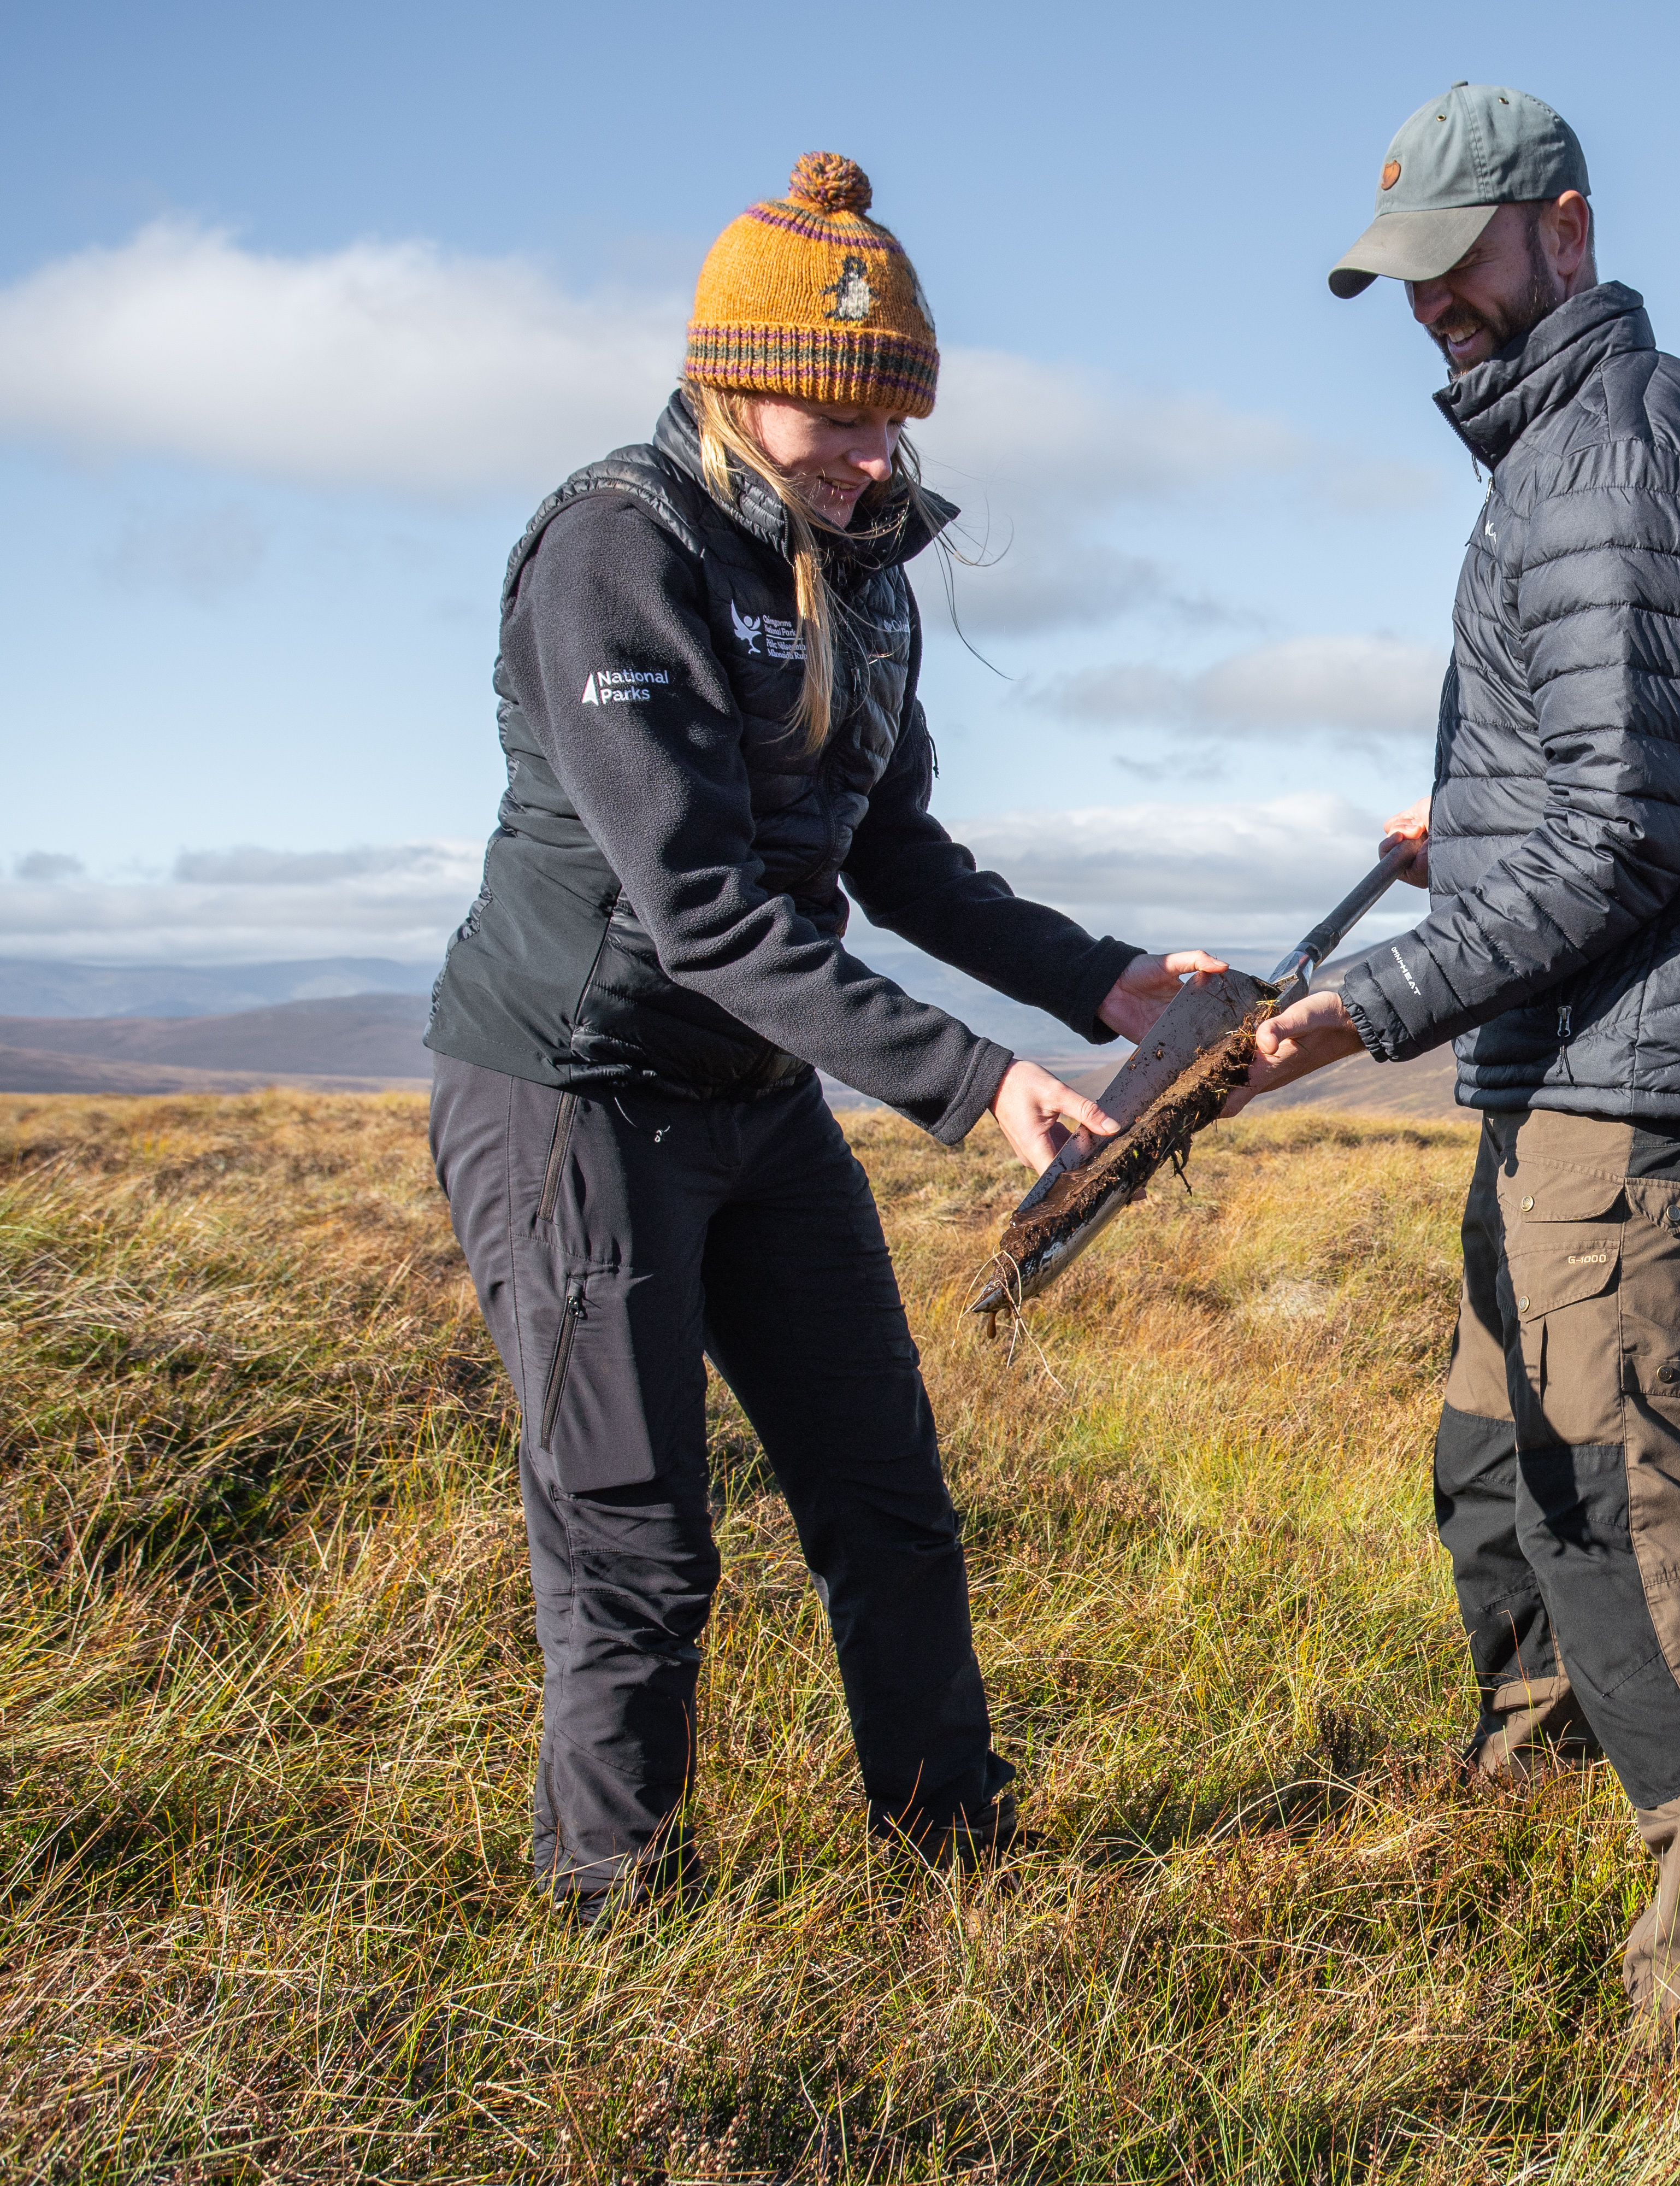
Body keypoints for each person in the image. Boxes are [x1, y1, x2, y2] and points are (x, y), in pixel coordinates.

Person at [426, 152, 1217, 1920]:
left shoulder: (863, 573)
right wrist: (970, 1080)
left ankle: (956, 1859)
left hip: (757, 1091)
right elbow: (700, 909)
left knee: (885, 1489)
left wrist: (1105, 986)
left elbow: (894, 850)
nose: (872, 456)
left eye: (896, 419)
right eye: (835, 415)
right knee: (637, 1541)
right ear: (728, 374)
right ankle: (615, 1918)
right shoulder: (616, 551)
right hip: (574, 1092)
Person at [1252, 84, 1680, 2036]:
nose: (1433, 309)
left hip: (1616, 1064)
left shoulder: (1617, 455)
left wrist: (1375, 1001)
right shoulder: (1567, 452)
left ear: (1563, 235)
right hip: (1558, 1053)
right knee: (1496, 1464)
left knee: (1609, 1498)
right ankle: (1534, 1779)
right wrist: (1458, 828)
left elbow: (1621, 839)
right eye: (1405, 280)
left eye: (1459, 265)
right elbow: (1593, 786)